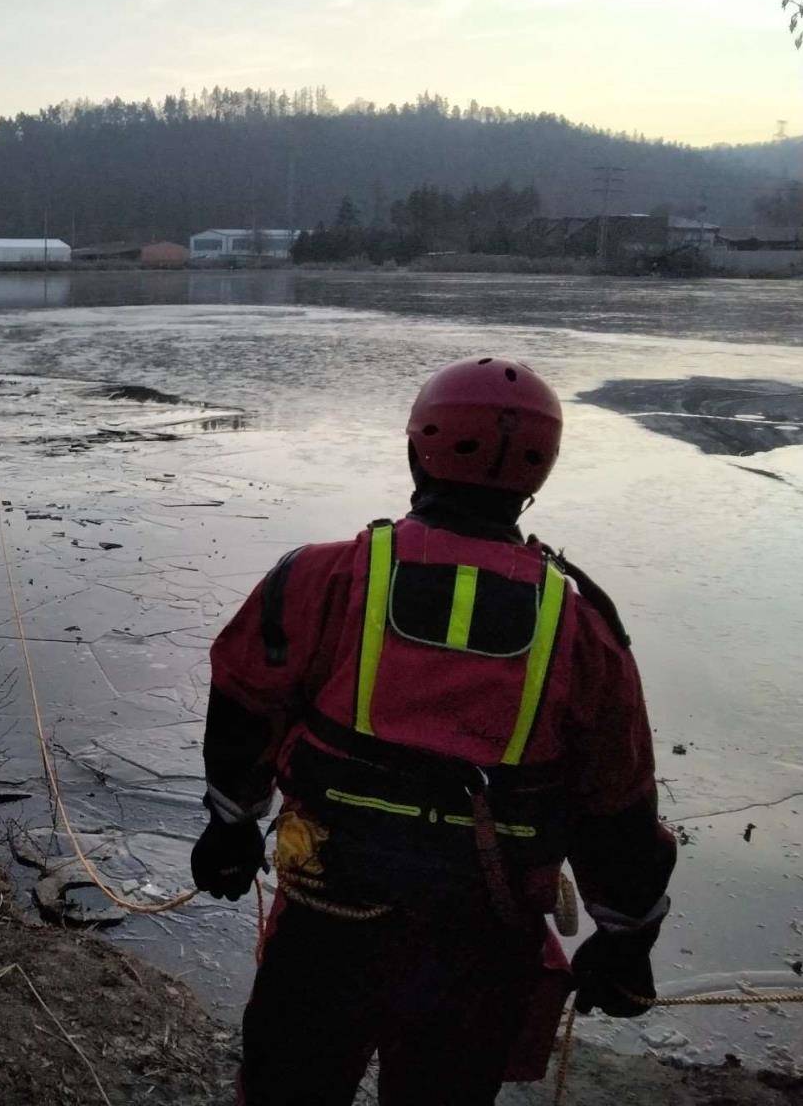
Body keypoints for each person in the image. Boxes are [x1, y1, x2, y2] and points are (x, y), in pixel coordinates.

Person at [191, 356, 676, 1105]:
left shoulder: (325, 577)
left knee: (290, 1088)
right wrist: (625, 937)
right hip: (479, 943)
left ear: (419, 449)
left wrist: (229, 825)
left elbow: (244, 700)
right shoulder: (580, 627)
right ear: (538, 473)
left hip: (327, 922)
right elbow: (618, 798)